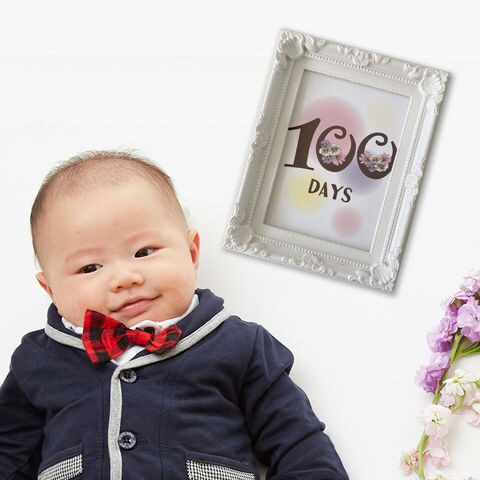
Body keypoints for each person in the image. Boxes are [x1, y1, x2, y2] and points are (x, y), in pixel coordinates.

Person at [0, 150, 349, 480]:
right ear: (51, 290)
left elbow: (299, 445)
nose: (125, 278)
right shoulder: (37, 361)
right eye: (90, 267)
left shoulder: (240, 346)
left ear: (192, 253)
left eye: (144, 251)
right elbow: (9, 454)